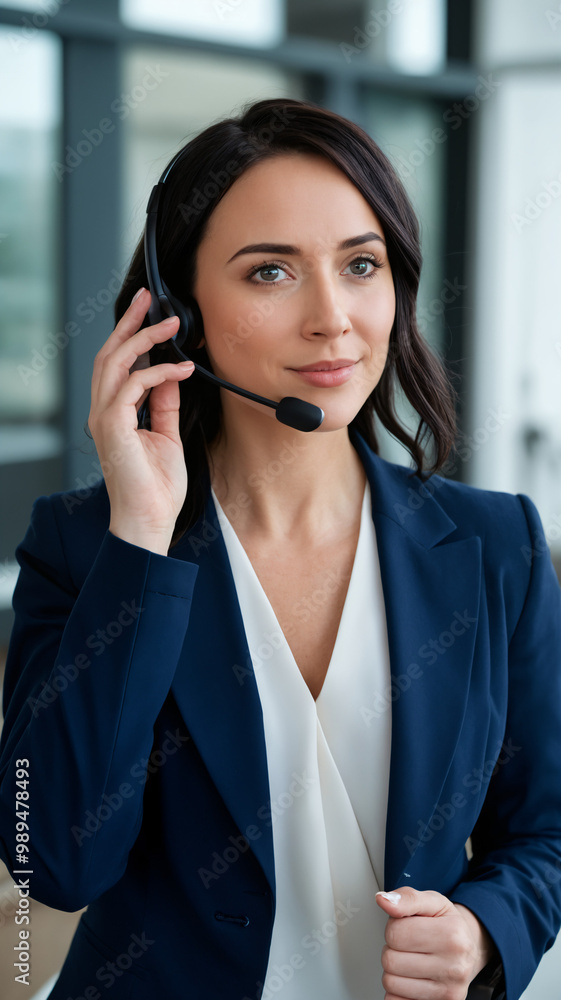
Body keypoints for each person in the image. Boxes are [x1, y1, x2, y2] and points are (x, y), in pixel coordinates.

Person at [1, 97, 560, 1000]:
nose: (332, 318)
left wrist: (484, 931)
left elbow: (547, 833)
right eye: (270, 273)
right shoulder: (84, 543)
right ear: (178, 310)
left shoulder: (499, 547)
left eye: (360, 265)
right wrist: (141, 540)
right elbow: (49, 857)